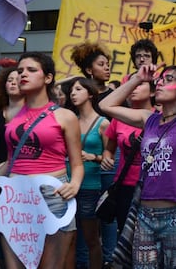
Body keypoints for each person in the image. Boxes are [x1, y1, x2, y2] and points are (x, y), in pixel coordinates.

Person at [99, 54, 176, 268]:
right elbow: (105, 105)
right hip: (145, 214)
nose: (159, 83)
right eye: (159, 80)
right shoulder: (148, 119)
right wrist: (138, 79)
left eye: (168, 80)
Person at [1, 52, 84, 268]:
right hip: (15, 200)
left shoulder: (65, 116)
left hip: (51, 195)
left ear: (47, 78)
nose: (22, 75)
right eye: (20, 71)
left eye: (31, 70)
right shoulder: (12, 117)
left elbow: (76, 164)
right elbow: (11, 161)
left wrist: (74, 184)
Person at [70, 40, 117, 268]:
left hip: (99, 176)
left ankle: (109, 260)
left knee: (105, 220)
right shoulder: (71, 114)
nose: (107, 68)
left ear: (89, 95)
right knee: (77, 231)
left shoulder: (113, 98)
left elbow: (112, 150)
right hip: (75, 181)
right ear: (89, 70)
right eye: (101, 64)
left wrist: (96, 157)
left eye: (108, 64)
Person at [66, 77, 110, 269]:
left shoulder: (103, 123)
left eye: (78, 89)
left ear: (90, 94)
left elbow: (110, 159)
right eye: (71, 91)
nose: (72, 93)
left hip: (90, 186)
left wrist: (93, 156)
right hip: (67, 186)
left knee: (92, 237)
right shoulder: (69, 120)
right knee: (70, 238)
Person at [102, 78, 154, 233]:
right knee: (125, 235)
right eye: (131, 85)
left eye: (139, 84)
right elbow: (109, 149)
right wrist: (107, 157)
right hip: (124, 186)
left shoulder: (160, 118)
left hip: (151, 187)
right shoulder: (118, 119)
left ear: (152, 91)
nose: (134, 88)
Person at [0, 66, 25, 268]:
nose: (13, 82)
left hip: (20, 179)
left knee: (16, 230)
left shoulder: (33, 115)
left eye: (17, 79)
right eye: (9, 79)